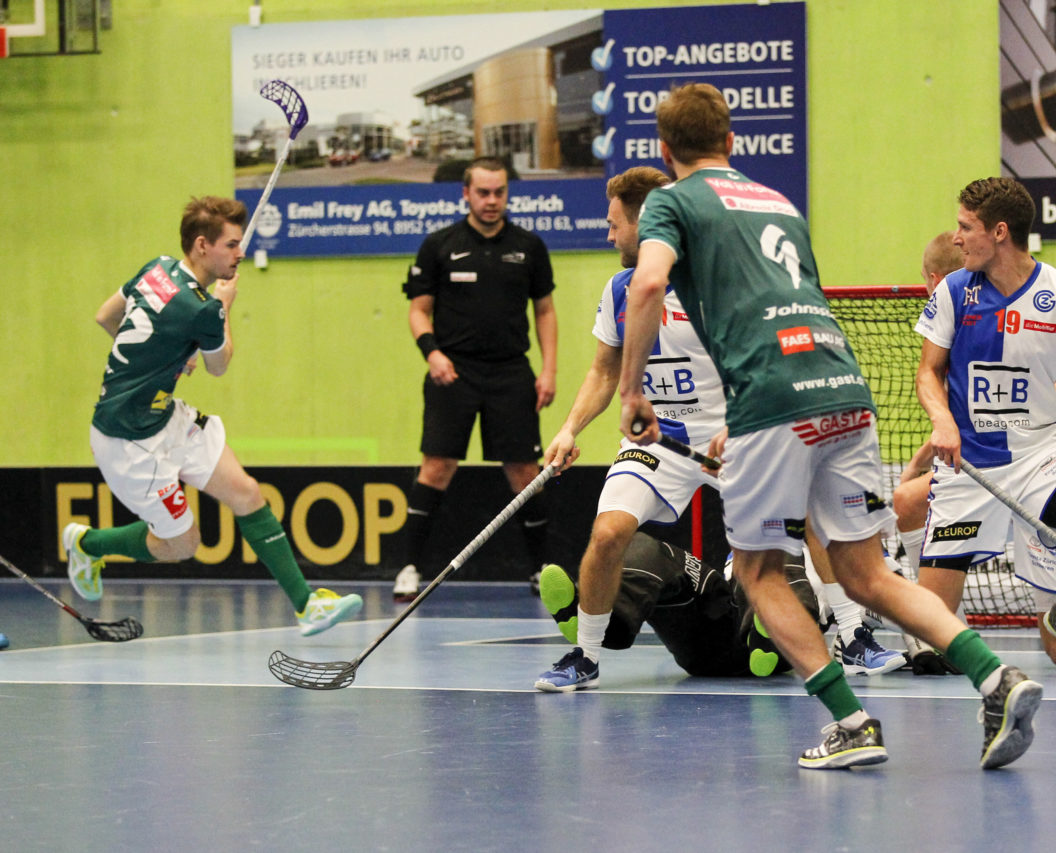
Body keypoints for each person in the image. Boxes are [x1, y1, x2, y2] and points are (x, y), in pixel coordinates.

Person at [618, 83, 1041, 771]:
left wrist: (633, 389)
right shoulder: (777, 201)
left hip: (772, 399)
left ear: (666, 151)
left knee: (758, 571)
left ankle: (851, 722)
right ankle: (996, 678)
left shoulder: (671, 201)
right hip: (842, 387)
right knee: (866, 572)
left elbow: (646, 285)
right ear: (731, 141)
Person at [533, 167, 900, 692]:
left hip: (733, 436)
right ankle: (585, 656)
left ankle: (854, 636)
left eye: (615, 225)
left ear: (646, 222)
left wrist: (745, 420)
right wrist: (570, 429)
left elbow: (769, 357)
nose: (609, 236)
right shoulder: (619, 291)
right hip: (658, 442)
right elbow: (604, 371)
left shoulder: (717, 286)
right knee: (609, 532)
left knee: (810, 521)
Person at [62, 196, 363, 636]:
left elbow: (107, 316)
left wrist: (166, 355)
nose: (240, 254)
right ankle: (88, 544)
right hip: (128, 444)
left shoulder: (157, 268)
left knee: (246, 492)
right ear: (202, 245)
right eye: (232, 245)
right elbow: (219, 366)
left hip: (164, 416)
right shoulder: (202, 308)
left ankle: (307, 606)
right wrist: (223, 307)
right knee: (182, 545)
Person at [913, 176, 1056, 679]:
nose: (956, 238)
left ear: (999, 232)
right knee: (930, 630)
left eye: (966, 227)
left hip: (1039, 455)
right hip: (968, 467)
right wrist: (943, 422)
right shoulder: (954, 291)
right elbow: (928, 373)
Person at [895, 232, 1056, 674]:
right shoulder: (951, 327)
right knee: (907, 501)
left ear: (935, 280)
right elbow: (965, 416)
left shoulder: (992, 312)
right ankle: (947, 636)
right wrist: (920, 461)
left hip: (1042, 470)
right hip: (989, 469)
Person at [397, 157, 559, 601]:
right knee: (436, 467)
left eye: (499, 192)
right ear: (465, 194)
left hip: (511, 373)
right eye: (483, 192)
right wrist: (432, 354)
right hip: (454, 373)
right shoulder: (439, 245)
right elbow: (418, 311)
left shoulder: (529, 246)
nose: (491, 201)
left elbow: (545, 311)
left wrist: (548, 370)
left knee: (526, 472)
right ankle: (409, 568)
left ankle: (541, 570)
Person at [538, 532, 819, 681]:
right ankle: (600, 622)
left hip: (784, 640)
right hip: (719, 628)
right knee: (645, 548)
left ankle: (768, 633)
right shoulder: (751, 533)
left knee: (780, 550)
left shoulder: (817, 556)